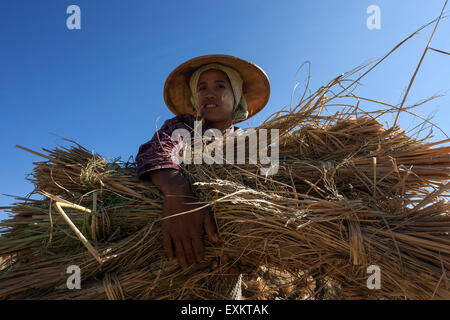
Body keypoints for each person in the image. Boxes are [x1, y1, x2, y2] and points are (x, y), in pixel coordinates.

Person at [135, 54, 270, 298]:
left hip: (225, 260)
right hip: (175, 258)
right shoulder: (185, 126)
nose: (210, 93)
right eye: (202, 88)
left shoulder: (248, 142)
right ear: (194, 98)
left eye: (220, 86)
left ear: (236, 95)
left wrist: (251, 251)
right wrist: (179, 194)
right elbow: (157, 150)